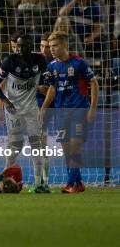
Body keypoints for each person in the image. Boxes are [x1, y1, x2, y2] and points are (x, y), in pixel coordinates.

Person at [40, 31, 99, 193]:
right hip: (61, 113)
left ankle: (70, 184)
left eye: (55, 45)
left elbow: (93, 83)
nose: (51, 49)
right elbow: (52, 88)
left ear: (65, 45)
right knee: (66, 150)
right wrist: (44, 107)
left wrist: (92, 108)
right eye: (50, 46)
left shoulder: (79, 63)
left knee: (75, 147)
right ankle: (78, 184)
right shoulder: (51, 67)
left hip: (79, 110)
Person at [0, 31, 50, 193]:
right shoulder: (9, 61)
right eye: (18, 46)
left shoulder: (39, 60)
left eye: (23, 46)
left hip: (31, 110)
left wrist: (50, 79)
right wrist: (5, 102)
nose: (19, 48)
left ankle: (39, 184)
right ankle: (5, 179)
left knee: (36, 145)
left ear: (30, 46)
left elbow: (48, 78)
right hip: (14, 111)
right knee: (15, 145)